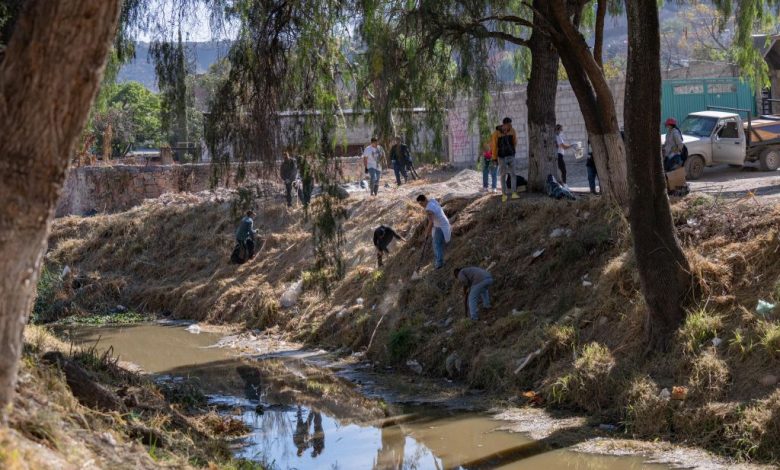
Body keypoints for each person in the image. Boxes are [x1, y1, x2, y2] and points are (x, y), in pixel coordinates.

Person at [416, 194, 451, 269]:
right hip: (444, 223)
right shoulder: (432, 201)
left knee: (436, 244)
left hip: (440, 226)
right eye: (420, 204)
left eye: (422, 203)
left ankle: (439, 263)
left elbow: (431, 222)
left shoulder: (428, 209)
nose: (421, 206)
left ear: (425, 200)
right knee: (438, 243)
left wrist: (426, 233)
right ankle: (440, 260)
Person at [490, 118, 519, 202]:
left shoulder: (512, 131)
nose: (510, 126)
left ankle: (514, 193)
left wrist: (512, 151)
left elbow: (515, 142)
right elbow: (494, 146)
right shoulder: (496, 133)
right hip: (501, 157)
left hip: (511, 156)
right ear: (504, 125)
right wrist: (494, 158)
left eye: (511, 124)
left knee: (513, 174)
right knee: (503, 175)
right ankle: (504, 194)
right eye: (509, 124)